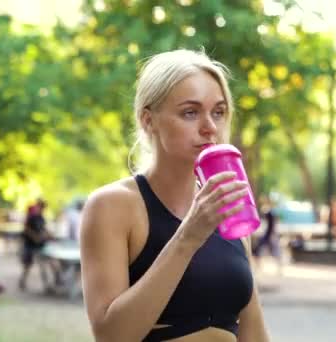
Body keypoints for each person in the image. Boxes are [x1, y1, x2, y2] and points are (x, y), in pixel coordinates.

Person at [79, 49, 270, 342]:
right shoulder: (113, 206)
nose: (210, 127)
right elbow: (111, 336)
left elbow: (254, 334)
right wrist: (188, 236)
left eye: (218, 112)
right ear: (148, 120)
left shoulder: (228, 209)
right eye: (190, 112)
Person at [19, 198, 54, 291]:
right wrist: (35, 236)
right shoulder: (31, 216)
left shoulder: (41, 217)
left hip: (39, 245)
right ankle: (22, 282)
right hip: (30, 244)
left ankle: (46, 284)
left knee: (43, 264)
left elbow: (43, 229)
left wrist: (48, 235)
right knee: (28, 264)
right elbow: (26, 229)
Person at [252, 196, 282, 275]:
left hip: (270, 235)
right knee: (260, 251)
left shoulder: (269, 212)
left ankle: (278, 269)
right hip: (269, 234)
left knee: (271, 251)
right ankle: (258, 267)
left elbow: (272, 225)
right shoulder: (270, 213)